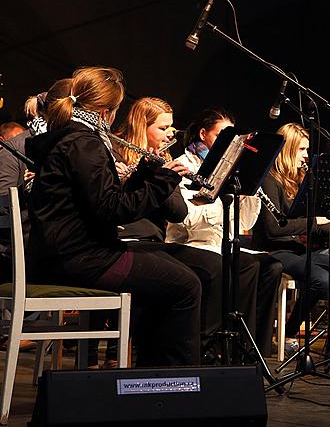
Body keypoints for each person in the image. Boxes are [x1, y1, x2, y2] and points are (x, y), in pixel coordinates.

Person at [26, 66, 202, 366]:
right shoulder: (85, 143)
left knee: (169, 273)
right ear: (108, 111)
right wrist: (163, 183)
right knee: (187, 285)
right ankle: (174, 381)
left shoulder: (70, 137)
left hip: (67, 252)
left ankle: (152, 374)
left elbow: (101, 199)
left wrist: (146, 173)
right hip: (80, 257)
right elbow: (111, 210)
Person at [165, 107, 283, 357]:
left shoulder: (230, 168)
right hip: (192, 243)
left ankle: (252, 349)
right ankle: (211, 344)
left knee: (271, 267)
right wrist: (217, 197)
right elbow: (188, 221)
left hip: (219, 243)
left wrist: (250, 190)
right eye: (222, 136)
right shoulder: (186, 164)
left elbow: (246, 222)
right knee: (244, 265)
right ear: (203, 134)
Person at [111, 98, 226, 354]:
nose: (170, 135)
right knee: (182, 278)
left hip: (152, 242)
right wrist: (129, 178)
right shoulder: (114, 152)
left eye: (171, 128)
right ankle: (155, 353)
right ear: (142, 125)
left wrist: (163, 176)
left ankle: (198, 351)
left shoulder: (162, 158)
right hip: (121, 242)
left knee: (214, 265)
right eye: (163, 128)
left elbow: (177, 212)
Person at [250, 122, 330, 356]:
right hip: (272, 250)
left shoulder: (299, 180)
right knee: (322, 280)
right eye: (302, 150)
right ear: (287, 150)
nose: (307, 155)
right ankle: (289, 332)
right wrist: (316, 222)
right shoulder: (269, 179)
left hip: (295, 248)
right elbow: (274, 229)